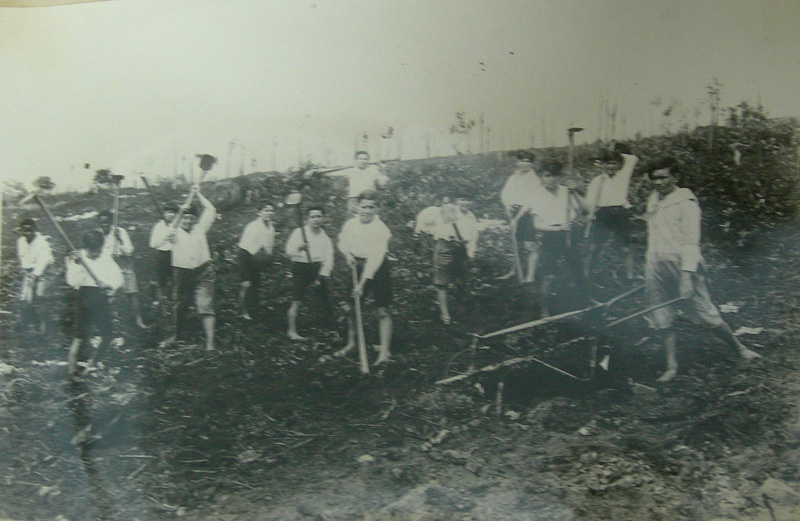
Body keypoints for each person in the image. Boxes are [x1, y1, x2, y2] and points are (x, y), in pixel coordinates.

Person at [644, 158, 761, 382]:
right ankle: (672, 366)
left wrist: (686, 277)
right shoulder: (653, 200)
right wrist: (651, 267)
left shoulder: (686, 202)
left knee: (705, 312)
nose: (658, 182)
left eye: (664, 177)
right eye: (654, 178)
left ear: (674, 177)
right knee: (660, 314)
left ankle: (739, 349)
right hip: (656, 263)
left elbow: (691, 242)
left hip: (683, 264)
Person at [335, 190, 393, 364]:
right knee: (351, 307)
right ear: (357, 206)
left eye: (371, 207)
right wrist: (347, 255)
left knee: (382, 310)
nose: (367, 210)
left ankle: (385, 353)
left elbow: (374, 260)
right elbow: (342, 241)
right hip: (357, 264)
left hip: (378, 267)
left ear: (376, 209)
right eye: (364, 206)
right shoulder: (350, 225)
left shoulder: (381, 229)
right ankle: (352, 343)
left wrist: (361, 284)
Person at [530, 160, 590, 317]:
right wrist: (557, 228)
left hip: (569, 235)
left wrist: (575, 191)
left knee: (578, 270)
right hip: (551, 237)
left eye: (555, 175)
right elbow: (536, 225)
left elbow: (585, 210)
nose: (551, 179)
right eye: (547, 176)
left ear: (560, 176)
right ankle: (544, 310)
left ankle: (587, 302)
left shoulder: (566, 191)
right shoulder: (538, 195)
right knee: (549, 274)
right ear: (542, 176)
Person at [163, 184, 218, 351]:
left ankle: (210, 342)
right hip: (182, 273)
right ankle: (175, 335)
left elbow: (211, 209)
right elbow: (164, 238)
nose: (188, 221)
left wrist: (197, 193)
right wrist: (181, 211)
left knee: (205, 305)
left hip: (203, 271)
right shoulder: (173, 232)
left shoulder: (200, 229)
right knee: (179, 306)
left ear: (195, 219)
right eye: (185, 218)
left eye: (191, 218)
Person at [66, 230, 124, 377]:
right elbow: (72, 281)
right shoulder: (78, 259)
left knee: (107, 335)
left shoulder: (105, 258)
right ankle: (72, 370)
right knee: (80, 336)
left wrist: (109, 285)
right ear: (85, 247)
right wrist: (77, 265)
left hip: (101, 298)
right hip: (85, 298)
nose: (95, 253)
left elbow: (118, 277)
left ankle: (92, 363)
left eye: (98, 250)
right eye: (92, 251)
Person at [584, 143, 639, 280]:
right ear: (603, 165)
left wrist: (614, 150)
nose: (611, 167)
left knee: (626, 247)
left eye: (614, 163)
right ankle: (587, 274)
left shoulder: (623, 176)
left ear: (620, 165)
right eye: (608, 163)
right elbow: (590, 201)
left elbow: (632, 159)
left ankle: (630, 277)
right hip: (603, 213)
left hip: (620, 212)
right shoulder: (598, 180)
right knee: (595, 245)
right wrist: (591, 213)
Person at [285, 206, 335, 340]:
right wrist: (299, 248)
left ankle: (329, 327)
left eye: (319, 216)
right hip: (300, 268)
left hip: (316, 268)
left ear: (323, 218)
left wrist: (321, 276)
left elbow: (328, 260)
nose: (316, 219)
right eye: (313, 217)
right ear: (308, 219)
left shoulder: (326, 238)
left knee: (324, 297)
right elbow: (288, 252)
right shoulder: (299, 232)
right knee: (296, 300)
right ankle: (291, 331)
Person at [429, 198, 479, 324]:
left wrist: (471, 252)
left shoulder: (471, 217)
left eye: (468, 200)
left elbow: (473, 236)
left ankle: (459, 308)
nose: (465, 203)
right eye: (462, 200)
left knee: (462, 280)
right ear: (457, 201)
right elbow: (437, 225)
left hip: (461, 249)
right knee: (442, 281)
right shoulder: (447, 210)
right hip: (445, 246)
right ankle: (445, 315)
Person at [98, 210, 147, 329]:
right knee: (110, 293)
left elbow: (129, 250)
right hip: (108, 265)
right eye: (102, 223)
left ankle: (138, 320)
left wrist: (119, 239)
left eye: (107, 222)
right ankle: (114, 321)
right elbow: (97, 253)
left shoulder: (120, 232)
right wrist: (109, 255)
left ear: (111, 222)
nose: (105, 225)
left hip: (124, 263)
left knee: (132, 292)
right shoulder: (97, 234)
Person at [499, 151, 543, 282]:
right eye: (522, 160)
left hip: (528, 214)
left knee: (530, 245)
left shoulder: (534, 179)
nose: (524, 164)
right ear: (517, 162)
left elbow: (530, 202)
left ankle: (530, 276)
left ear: (532, 163)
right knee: (516, 244)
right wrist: (508, 209)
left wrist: (516, 219)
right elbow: (504, 195)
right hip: (514, 212)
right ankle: (514, 271)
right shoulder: (513, 177)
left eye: (528, 161)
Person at [307, 151, 389, 214]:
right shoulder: (351, 170)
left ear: (369, 160)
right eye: (360, 158)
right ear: (356, 160)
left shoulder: (373, 169)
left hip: (369, 200)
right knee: (353, 224)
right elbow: (331, 172)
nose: (363, 161)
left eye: (366, 159)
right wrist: (314, 171)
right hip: (354, 200)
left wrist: (383, 170)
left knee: (371, 224)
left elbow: (383, 183)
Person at [236, 202, 276, 320]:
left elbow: (269, 245)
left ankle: (254, 308)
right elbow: (249, 245)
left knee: (256, 284)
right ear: (259, 212)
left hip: (258, 257)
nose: (269, 213)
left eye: (271, 210)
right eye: (266, 210)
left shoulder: (271, 227)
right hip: (246, 256)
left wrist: (268, 258)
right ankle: (243, 312)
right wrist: (261, 257)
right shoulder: (252, 226)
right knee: (246, 284)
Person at [16, 218, 55, 333]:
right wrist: (27, 273)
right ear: (21, 231)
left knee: (40, 295)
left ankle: (44, 324)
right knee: (26, 298)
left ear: (35, 229)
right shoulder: (20, 241)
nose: (27, 233)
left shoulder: (42, 242)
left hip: (45, 271)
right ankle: (26, 322)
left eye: (30, 230)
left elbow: (43, 261)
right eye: (24, 230)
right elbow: (22, 257)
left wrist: (35, 275)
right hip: (29, 270)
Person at [147, 202, 179, 303]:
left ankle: (175, 301)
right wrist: (165, 236)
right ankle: (160, 304)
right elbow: (153, 244)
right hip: (163, 255)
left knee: (176, 280)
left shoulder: (178, 226)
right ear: (164, 213)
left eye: (174, 213)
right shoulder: (159, 226)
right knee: (161, 281)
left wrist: (173, 235)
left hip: (176, 255)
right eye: (169, 212)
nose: (172, 215)